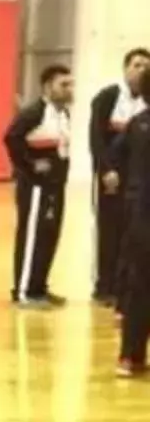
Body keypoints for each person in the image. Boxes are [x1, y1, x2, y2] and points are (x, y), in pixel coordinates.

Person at [5, 65, 75, 308]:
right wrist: (30, 165)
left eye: (70, 84)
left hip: (55, 187)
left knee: (48, 236)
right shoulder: (34, 112)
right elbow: (11, 138)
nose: (69, 89)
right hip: (35, 188)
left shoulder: (63, 113)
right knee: (32, 236)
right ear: (48, 87)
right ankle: (23, 291)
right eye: (63, 85)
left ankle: (39, 287)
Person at [88, 48, 148, 306]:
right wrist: (106, 170)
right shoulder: (108, 97)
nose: (141, 70)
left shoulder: (145, 103)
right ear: (125, 68)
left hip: (136, 177)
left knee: (130, 231)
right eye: (136, 65)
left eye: (146, 66)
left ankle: (125, 286)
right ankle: (104, 285)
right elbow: (97, 138)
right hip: (109, 176)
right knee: (108, 229)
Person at [108, 104, 150, 377]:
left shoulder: (137, 122)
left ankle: (130, 357)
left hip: (139, 214)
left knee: (140, 286)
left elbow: (114, 157)